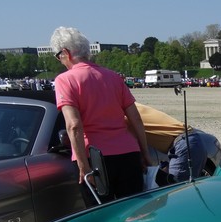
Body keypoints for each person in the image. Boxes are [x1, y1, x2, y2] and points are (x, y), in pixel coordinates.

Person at [50, 26, 154, 204]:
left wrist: (83, 166)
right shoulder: (113, 77)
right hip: (128, 152)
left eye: (58, 56)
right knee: (134, 213)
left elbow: (74, 125)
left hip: (95, 158)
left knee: (103, 220)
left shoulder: (65, 80)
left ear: (66, 53)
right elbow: (135, 118)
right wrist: (145, 153)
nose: (60, 60)